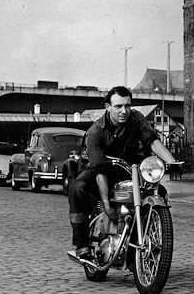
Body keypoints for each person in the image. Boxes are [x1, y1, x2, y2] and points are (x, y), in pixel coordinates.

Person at [68, 85, 179, 261]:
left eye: (127, 105)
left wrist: (172, 161)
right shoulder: (95, 132)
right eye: (118, 106)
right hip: (99, 169)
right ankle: (82, 245)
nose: (124, 111)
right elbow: (99, 170)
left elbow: (152, 141)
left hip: (129, 167)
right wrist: (106, 205)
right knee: (78, 188)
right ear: (108, 107)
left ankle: (146, 232)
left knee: (159, 191)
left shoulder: (136, 119)